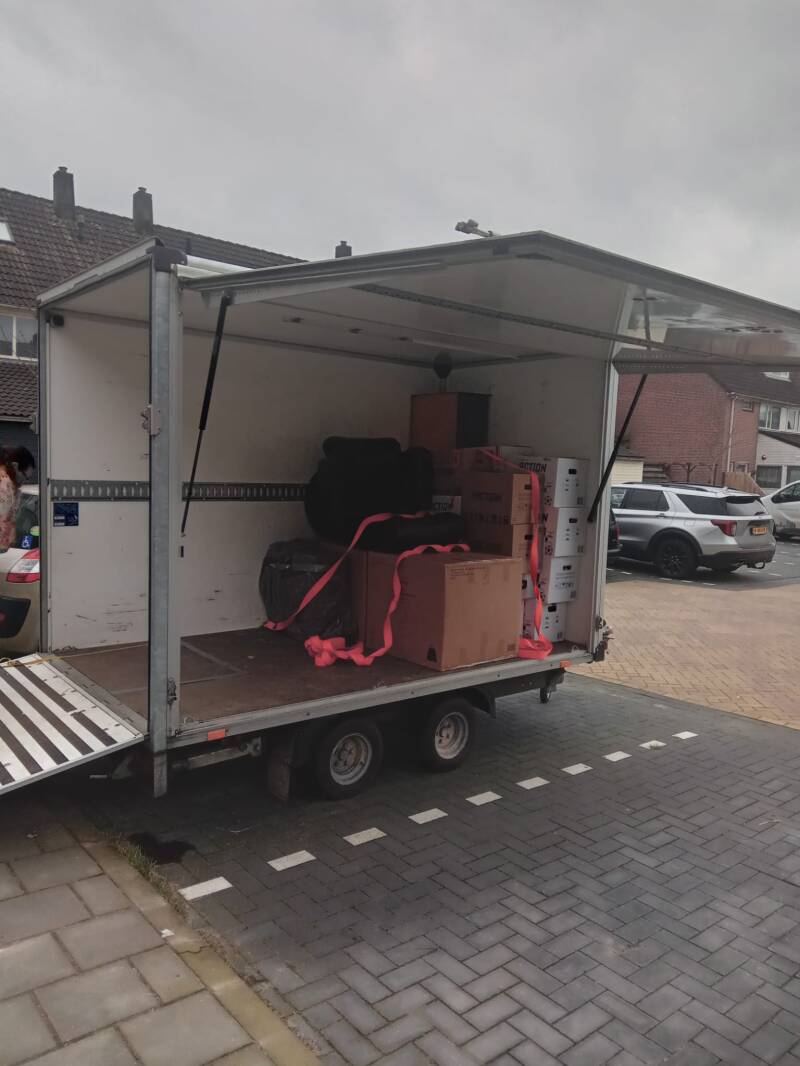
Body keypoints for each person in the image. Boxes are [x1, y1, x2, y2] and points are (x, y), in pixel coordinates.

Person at [0, 446, 35, 551]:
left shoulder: (10, 486)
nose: (23, 481)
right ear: (15, 466)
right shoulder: (5, 485)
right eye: (24, 476)